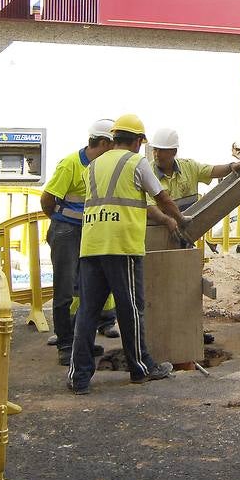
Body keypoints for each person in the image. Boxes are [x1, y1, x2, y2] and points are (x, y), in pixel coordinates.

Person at [68, 114, 190, 394]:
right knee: (130, 308)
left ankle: (79, 377)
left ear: (114, 138)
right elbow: (161, 197)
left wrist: (165, 218)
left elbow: (120, 200)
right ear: (137, 141)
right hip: (121, 244)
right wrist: (180, 220)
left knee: (88, 311)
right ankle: (141, 367)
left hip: (91, 244)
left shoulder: (94, 165)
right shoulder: (137, 162)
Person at [41, 119, 118, 365]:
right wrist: (60, 221)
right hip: (66, 232)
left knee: (86, 287)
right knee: (64, 289)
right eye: (113, 145)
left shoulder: (101, 167)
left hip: (89, 232)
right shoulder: (70, 164)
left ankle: (79, 341)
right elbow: (47, 199)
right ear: (104, 143)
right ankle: (65, 344)